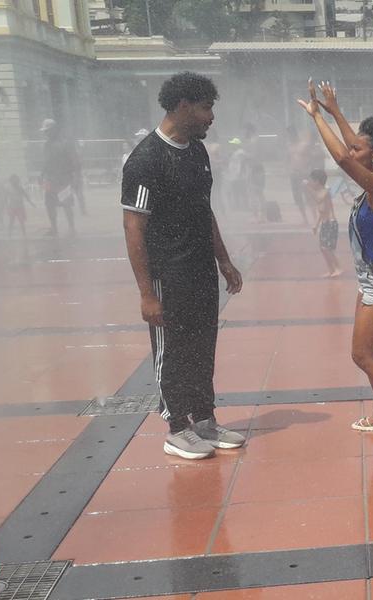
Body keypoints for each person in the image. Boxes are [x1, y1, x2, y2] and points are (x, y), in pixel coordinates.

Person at [121, 72, 245, 460]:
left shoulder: (196, 151)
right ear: (182, 106)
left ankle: (204, 419)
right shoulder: (145, 160)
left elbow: (203, 211)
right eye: (206, 108)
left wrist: (223, 259)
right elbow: (133, 226)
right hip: (166, 276)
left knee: (202, 346)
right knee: (172, 350)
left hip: (201, 271)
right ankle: (176, 427)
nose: (211, 117)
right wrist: (146, 293)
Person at [297, 80, 373, 442]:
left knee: (362, 354)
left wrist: (318, 118)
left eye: (360, 148)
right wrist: (336, 111)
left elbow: (342, 156)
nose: (352, 150)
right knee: (369, 351)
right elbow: (355, 146)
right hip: (370, 280)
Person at [39, 118, 78, 236]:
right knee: (49, 204)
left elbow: (73, 161)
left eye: (48, 131)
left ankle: (71, 227)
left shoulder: (64, 143)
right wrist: (41, 174)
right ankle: (54, 227)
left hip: (63, 180)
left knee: (66, 204)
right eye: (45, 131)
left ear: (54, 130)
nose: (46, 133)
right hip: (50, 179)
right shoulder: (46, 144)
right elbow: (46, 162)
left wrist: (73, 177)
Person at [305, 168, 342, 278]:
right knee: (323, 248)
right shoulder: (319, 191)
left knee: (327, 248)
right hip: (325, 223)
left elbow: (318, 198)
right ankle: (331, 270)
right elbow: (322, 212)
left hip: (331, 223)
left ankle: (338, 268)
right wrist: (316, 225)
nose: (310, 183)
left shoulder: (326, 190)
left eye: (311, 181)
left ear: (317, 181)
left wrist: (307, 187)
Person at [288, 126, 322, 225]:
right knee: (298, 197)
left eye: (292, 135)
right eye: (289, 135)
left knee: (308, 196)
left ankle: (315, 217)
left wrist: (308, 169)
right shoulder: (289, 146)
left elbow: (312, 156)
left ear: (295, 135)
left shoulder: (304, 145)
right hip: (294, 174)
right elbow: (288, 159)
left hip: (304, 174)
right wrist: (288, 169)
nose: (290, 137)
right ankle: (304, 218)